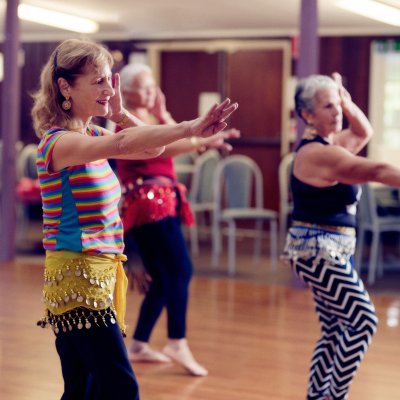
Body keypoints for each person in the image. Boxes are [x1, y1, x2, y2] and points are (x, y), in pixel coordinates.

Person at [33, 38, 237, 399]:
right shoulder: (58, 144)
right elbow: (126, 145)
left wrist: (119, 114)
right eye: (97, 81)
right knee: (121, 389)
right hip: (78, 281)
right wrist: (191, 128)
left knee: (85, 390)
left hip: (95, 277)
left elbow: (150, 147)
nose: (108, 88)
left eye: (110, 79)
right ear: (65, 86)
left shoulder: (94, 132)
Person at [115, 63, 240, 376]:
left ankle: (140, 344)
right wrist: (203, 140)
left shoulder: (152, 119)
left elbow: (174, 141)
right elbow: (163, 149)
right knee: (181, 269)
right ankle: (176, 340)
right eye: (143, 87)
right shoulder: (125, 125)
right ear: (125, 92)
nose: (150, 91)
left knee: (162, 277)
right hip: (148, 204)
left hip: (158, 201)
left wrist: (167, 114)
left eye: (152, 85)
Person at [282, 72, 400, 400]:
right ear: (307, 115)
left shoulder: (334, 144)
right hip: (319, 252)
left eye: (337, 105)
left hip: (324, 250)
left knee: (335, 329)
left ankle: (317, 396)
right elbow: (377, 171)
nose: (336, 113)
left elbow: (364, 131)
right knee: (363, 321)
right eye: (328, 106)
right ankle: (335, 396)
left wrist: (346, 102)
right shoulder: (318, 154)